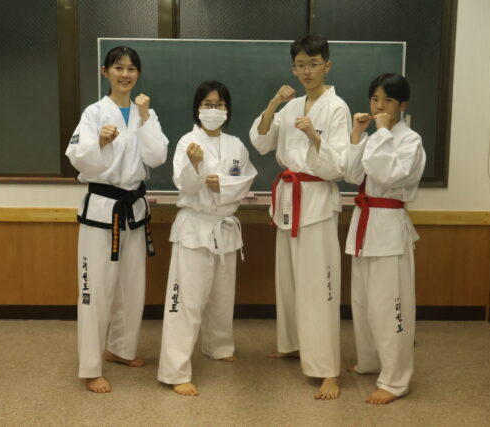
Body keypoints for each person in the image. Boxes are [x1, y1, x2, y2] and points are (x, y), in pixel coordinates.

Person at [249, 34, 351, 400]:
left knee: (318, 288)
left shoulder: (337, 108)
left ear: (327, 65)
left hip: (317, 201)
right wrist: (273, 103)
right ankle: (292, 344)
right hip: (289, 202)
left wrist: (313, 137)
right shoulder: (291, 106)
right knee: (288, 281)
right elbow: (262, 140)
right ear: (293, 68)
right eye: (300, 65)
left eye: (313, 64)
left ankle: (328, 369)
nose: (306, 71)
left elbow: (339, 166)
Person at [66, 46, 168, 393]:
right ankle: (90, 366)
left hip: (133, 209)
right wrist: (99, 141)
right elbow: (77, 158)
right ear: (105, 71)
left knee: (130, 285)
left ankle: (121, 349)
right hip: (102, 209)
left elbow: (157, 156)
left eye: (131, 68)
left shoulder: (145, 113)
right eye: (119, 67)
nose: (125, 74)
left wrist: (145, 118)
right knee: (94, 288)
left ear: (138, 74)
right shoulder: (94, 113)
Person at [157, 81, 257, 397]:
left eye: (219, 104)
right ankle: (174, 370)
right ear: (198, 108)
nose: (214, 110)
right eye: (208, 104)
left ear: (227, 109)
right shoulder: (188, 142)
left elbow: (247, 179)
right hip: (195, 226)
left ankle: (218, 346)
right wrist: (195, 165)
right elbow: (184, 185)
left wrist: (223, 185)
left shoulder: (236, 145)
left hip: (224, 227)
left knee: (222, 294)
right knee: (186, 300)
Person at [344, 72, 425, 404]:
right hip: (364, 225)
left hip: (389, 227)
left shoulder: (410, 141)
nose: (379, 106)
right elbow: (351, 174)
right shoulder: (373, 137)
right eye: (374, 99)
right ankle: (370, 361)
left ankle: (395, 380)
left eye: (387, 100)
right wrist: (357, 134)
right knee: (363, 303)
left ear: (402, 105)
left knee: (389, 306)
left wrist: (379, 134)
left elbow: (390, 174)